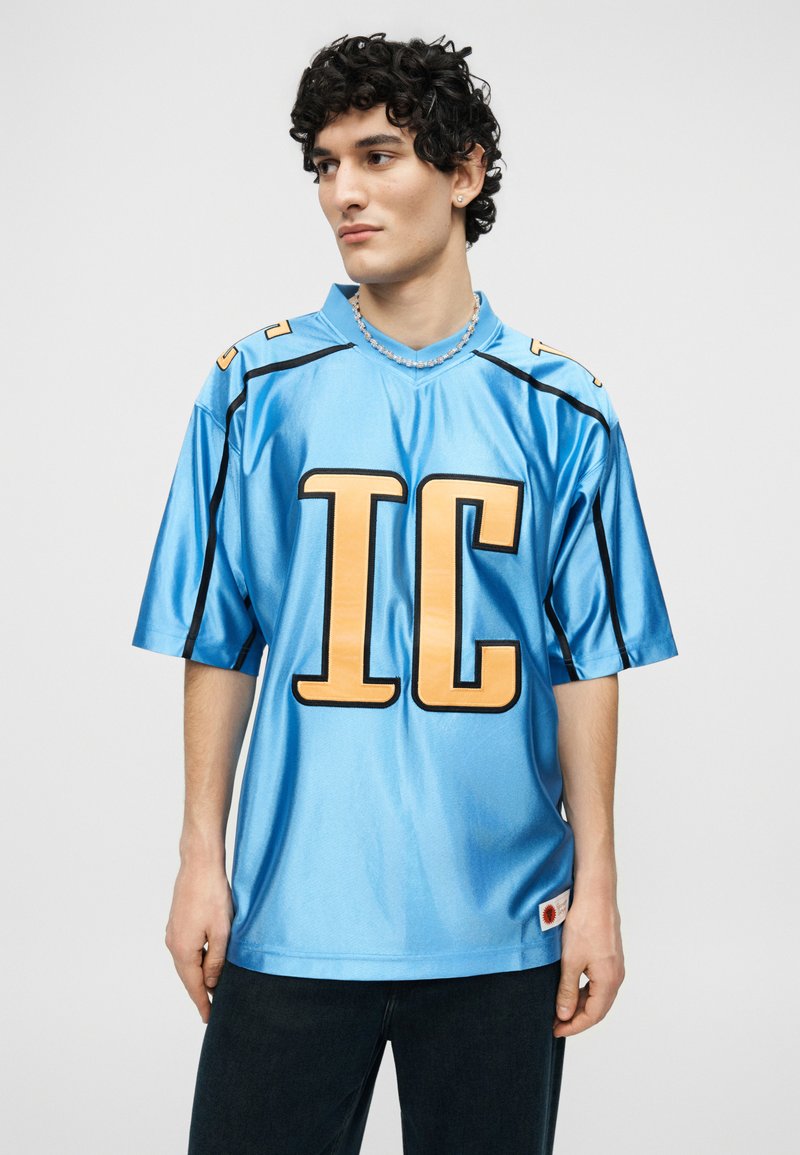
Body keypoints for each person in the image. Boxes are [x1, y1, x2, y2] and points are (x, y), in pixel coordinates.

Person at [131, 31, 678, 1155]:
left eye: (377, 156)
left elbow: (585, 662)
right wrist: (198, 860)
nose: (343, 192)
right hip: (292, 911)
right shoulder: (254, 387)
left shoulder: (563, 408)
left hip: (502, 921)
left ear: (464, 171)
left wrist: (598, 889)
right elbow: (221, 638)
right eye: (324, 165)